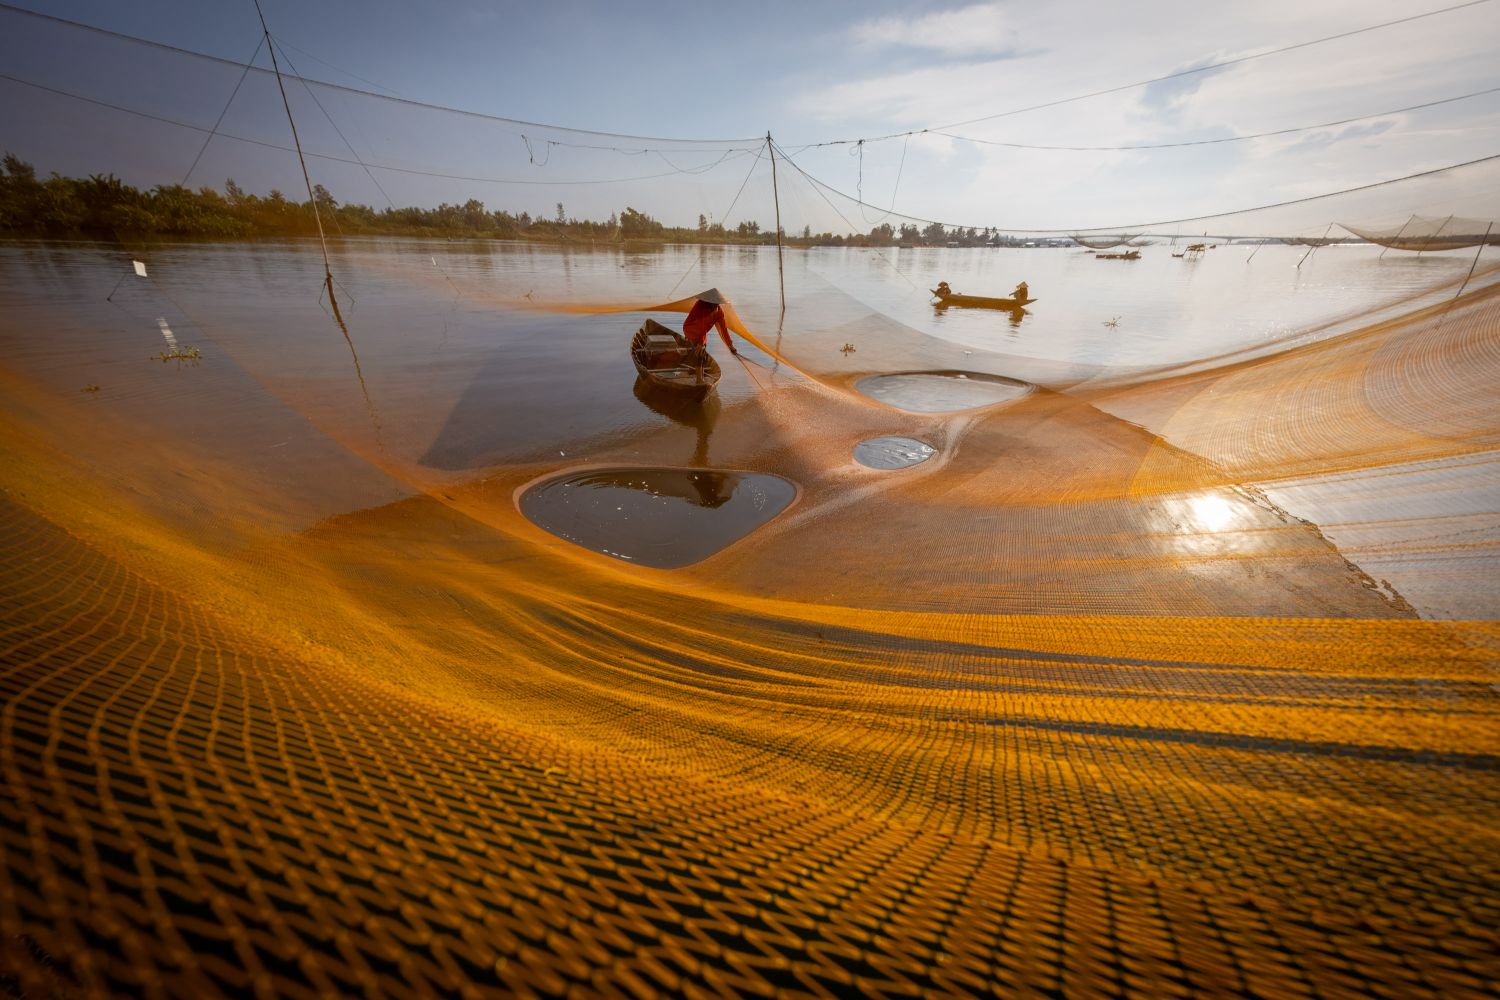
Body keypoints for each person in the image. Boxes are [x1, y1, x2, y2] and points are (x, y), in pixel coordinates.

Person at [682, 289, 737, 384]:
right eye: (713, 303)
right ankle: (699, 380)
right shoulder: (701, 305)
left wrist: (730, 346)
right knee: (700, 352)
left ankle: (696, 373)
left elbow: (724, 330)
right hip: (690, 329)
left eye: (717, 303)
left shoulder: (719, 312)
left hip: (701, 332)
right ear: (708, 301)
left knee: (701, 353)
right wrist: (701, 342)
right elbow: (701, 323)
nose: (715, 305)